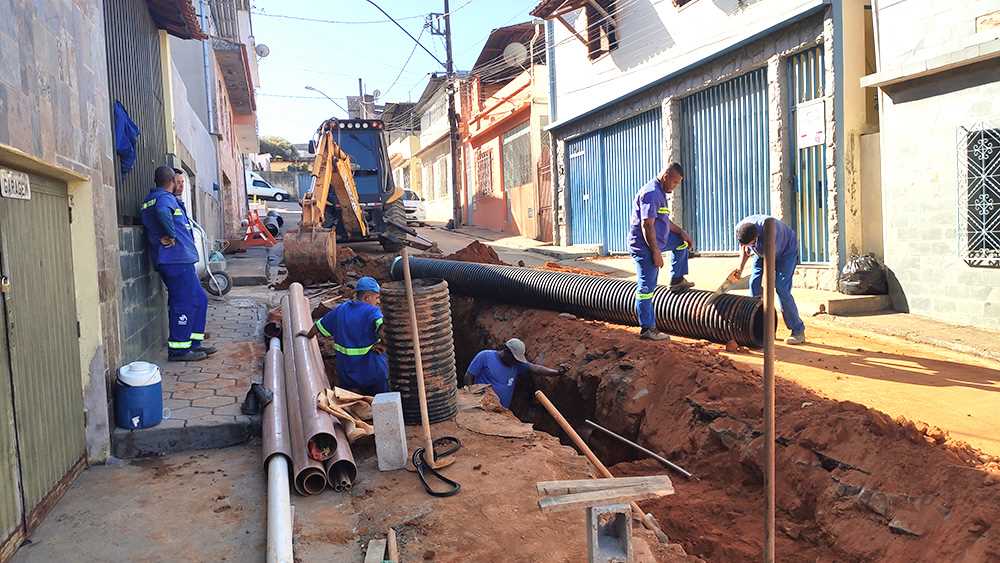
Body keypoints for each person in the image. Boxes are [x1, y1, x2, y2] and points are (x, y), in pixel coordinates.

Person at [140, 166, 213, 361]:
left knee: (199, 299)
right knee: (184, 302)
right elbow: (163, 212)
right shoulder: (164, 198)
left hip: (178, 260)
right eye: (178, 182)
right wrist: (170, 235)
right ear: (171, 181)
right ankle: (179, 350)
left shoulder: (155, 198)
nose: (179, 185)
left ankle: (193, 343)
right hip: (175, 260)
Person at [628, 163, 694, 341]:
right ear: (665, 176)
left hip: (659, 241)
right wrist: (655, 253)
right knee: (646, 288)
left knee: (681, 243)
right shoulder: (651, 193)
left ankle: (676, 280)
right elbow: (647, 224)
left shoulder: (661, 193)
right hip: (645, 247)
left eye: (678, 183)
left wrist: (681, 232)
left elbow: (663, 222)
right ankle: (647, 328)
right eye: (674, 182)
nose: (675, 186)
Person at [299, 276, 389, 396]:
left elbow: (319, 326)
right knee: (384, 401)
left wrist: (308, 335)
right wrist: (383, 343)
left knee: (349, 404)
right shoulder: (372, 311)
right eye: (376, 298)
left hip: (347, 374)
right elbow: (383, 328)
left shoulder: (341, 309)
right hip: (372, 372)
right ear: (367, 297)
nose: (378, 302)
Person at [732, 215, 806, 344]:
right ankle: (762, 327)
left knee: (781, 288)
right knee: (754, 285)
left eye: (752, 244)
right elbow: (744, 249)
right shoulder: (740, 229)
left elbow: (770, 264)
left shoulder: (772, 232)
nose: (749, 246)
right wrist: (740, 268)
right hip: (762, 250)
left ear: (756, 237)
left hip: (785, 250)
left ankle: (798, 330)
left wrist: (767, 285)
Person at [464, 338, 563, 409]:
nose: (515, 361)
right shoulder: (485, 356)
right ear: (506, 351)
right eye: (514, 358)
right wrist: (471, 398)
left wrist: (557, 372)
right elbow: (468, 376)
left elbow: (536, 369)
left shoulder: (516, 364)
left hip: (502, 411)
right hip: (482, 407)